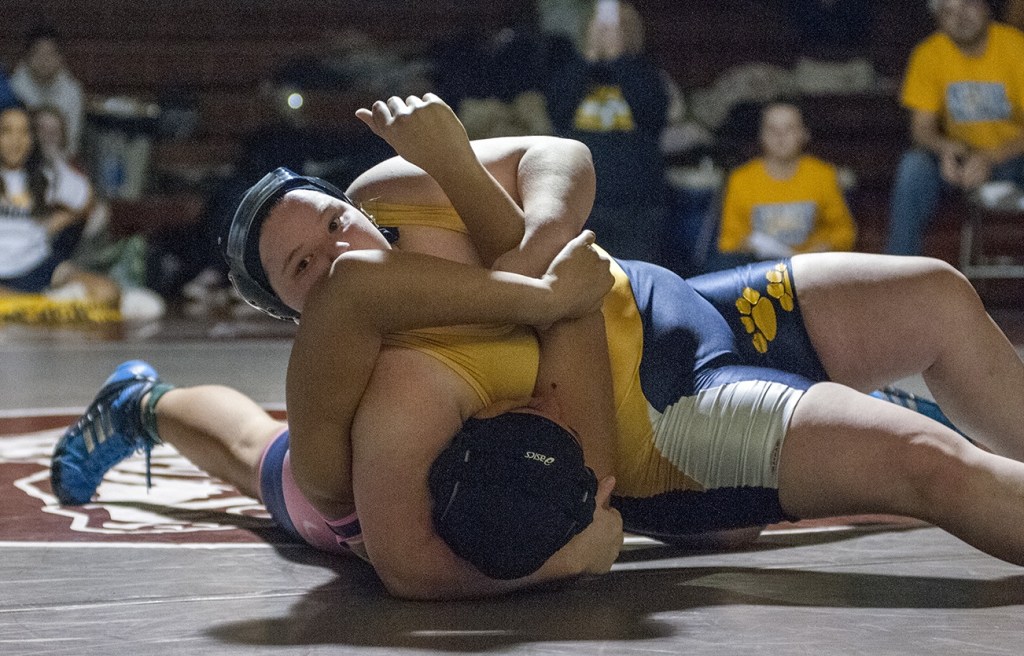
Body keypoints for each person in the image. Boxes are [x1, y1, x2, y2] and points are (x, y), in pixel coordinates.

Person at [52, 94, 1024, 600]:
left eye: (330, 221)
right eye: (305, 267)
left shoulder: (401, 188)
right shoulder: (400, 380)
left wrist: (479, 185)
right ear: (309, 318)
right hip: (664, 417)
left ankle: (875, 419)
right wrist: (581, 551)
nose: (340, 246)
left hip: (677, 305)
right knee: (261, 459)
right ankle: (144, 403)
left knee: (936, 292)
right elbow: (413, 564)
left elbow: (561, 166)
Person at [887, 0, 1024, 255]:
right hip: (960, 161)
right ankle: (897, 275)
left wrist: (989, 158)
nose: (960, 17)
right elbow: (921, 129)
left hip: (1013, 159)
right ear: (938, 20)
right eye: (948, 11)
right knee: (914, 165)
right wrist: (945, 148)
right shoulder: (928, 53)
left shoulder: (1016, 46)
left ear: (985, 7)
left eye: (967, 6)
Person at [545, 0, 671, 264]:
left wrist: (617, 59)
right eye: (598, 26)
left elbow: (652, 116)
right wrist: (589, 58)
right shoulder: (570, 72)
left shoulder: (647, 74)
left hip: (635, 207)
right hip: (578, 204)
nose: (605, 32)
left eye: (614, 27)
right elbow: (557, 113)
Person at [712, 101, 857, 270]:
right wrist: (746, 247)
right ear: (761, 135)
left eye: (789, 129)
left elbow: (845, 233)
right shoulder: (741, 178)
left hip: (812, 269)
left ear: (804, 134)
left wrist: (820, 250)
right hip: (760, 272)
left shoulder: (823, 175)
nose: (780, 136)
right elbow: (728, 242)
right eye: (772, 130)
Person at [0, 104, 118, 307]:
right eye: (7, 132)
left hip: (38, 265)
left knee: (107, 293)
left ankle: (33, 306)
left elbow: (87, 200)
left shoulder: (48, 174)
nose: (15, 141)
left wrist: (55, 222)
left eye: (24, 132)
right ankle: (41, 304)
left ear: (32, 138)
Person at [10, 26, 86, 157]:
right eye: (38, 53)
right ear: (27, 56)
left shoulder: (73, 92)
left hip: (58, 161)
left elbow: (71, 144)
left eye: (50, 54)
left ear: (61, 58)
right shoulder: (12, 89)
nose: (44, 60)